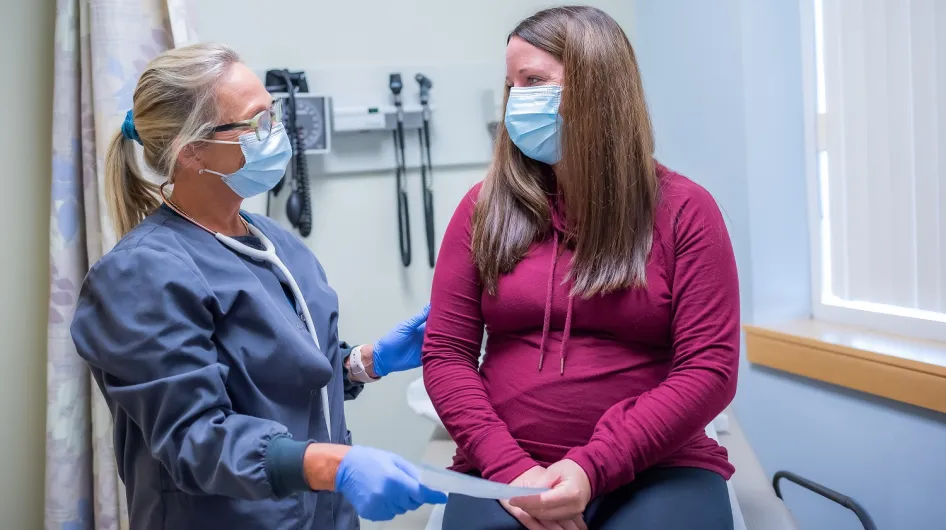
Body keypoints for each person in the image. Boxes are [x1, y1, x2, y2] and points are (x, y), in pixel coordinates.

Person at [69, 43, 445, 530]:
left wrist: (361, 363)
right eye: (257, 122)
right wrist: (334, 467)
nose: (278, 134)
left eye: (276, 114)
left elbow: (275, 375)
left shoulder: (275, 244)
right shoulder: (141, 275)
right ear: (192, 151)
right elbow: (195, 439)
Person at [422, 6, 739, 530]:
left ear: (598, 89)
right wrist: (510, 469)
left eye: (534, 81)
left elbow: (710, 369)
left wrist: (591, 468)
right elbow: (446, 355)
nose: (516, 101)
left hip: (657, 467)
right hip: (506, 466)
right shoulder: (484, 209)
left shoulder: (685, 211)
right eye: (512, 85)